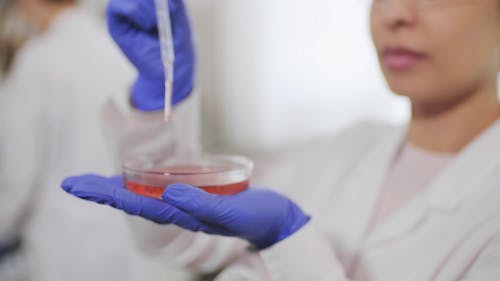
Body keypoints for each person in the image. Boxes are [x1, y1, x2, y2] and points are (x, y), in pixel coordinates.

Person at [61, 0, 500, 280]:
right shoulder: (344, 151)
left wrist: (290, 242)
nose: (393, 13)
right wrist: (158, 103)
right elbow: (181, 241)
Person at [0, 0, 177, 280]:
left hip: (66, 251)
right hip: (130, 239)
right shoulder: (122, 48)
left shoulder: (38, 62)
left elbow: (15, 182)